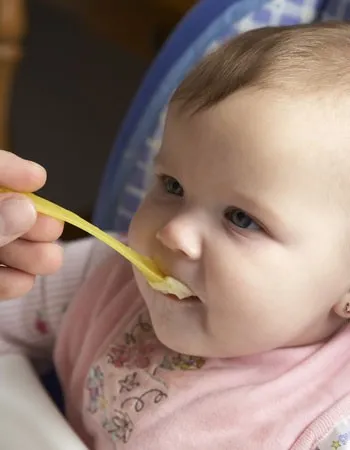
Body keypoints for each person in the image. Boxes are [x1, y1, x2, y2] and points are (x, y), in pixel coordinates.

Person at [1, 21, 350, 449]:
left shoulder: (328, 425)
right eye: (172, 186)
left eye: (241, 218)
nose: (173, 233)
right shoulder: (107, 277)